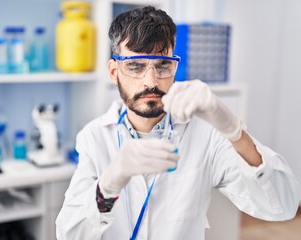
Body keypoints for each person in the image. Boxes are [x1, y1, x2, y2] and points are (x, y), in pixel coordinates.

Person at [56, 6, 300, 240]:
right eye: (135, 66)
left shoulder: (206, 133)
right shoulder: (94, 136)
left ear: (175, 67)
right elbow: (69, 235)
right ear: (113, 71)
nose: (150, 81)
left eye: (162, 65)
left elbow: (284, 205)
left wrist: (235, 132)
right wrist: (106, 188)